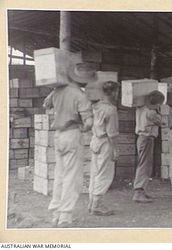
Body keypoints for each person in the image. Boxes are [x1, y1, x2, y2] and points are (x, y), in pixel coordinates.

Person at [43, 62, 96, 227]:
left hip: (57, 135)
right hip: (72, 134)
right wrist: (84, 126)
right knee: (72, 176)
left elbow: (46, 105)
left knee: (59, 174)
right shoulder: (81, 95)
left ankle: (56, 213)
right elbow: (88, 122)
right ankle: (65, 215)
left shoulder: (56, 91)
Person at [88, 80, 120, 216]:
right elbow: (112, 133)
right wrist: (115, 149)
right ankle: (97, 205)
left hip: (95, 140)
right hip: (106, 143)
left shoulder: (95, 106)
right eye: (117, 92)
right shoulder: (111, 110)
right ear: (113, 92)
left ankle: (91, 203)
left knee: (95, 173)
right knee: (105, 174)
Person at [133, 90, 165, 203]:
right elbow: (162, 122)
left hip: (142, 138)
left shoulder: (140, 108)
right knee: (144, 165)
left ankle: (142, 190)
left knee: (143, 163)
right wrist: (158, 111)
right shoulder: (152, 113)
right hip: (147, 139)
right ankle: (139, 192)